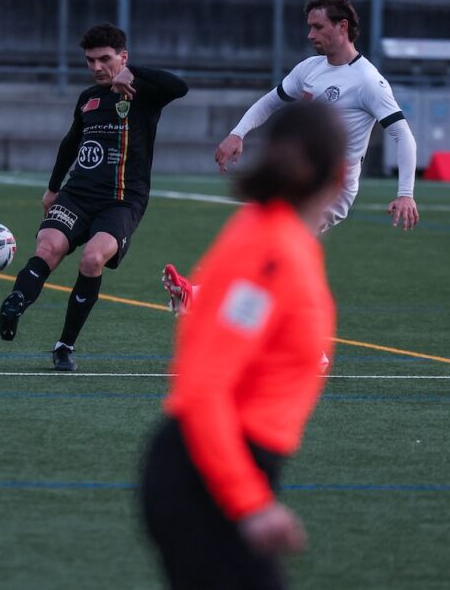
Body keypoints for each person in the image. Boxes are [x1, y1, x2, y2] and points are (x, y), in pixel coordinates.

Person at [140, 101, 346, 590]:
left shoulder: (277, 237)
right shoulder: (273, 251)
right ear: (341, 174)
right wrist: (248, 503)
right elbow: (202, 388)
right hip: (208, 478)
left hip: (217, 471)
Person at [120, 0, 419, 314]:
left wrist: (405, 193)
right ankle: (211, 299)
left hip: (332, 186)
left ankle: (208, 299)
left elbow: (403, 135)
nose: (310, 34)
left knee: (274, 247)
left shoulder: (368, 81)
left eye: (318, 27)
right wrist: (238, 133)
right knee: (266, 246)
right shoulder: (310, 68)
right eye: (309, 26)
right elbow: (271, 101)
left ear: (342, 26)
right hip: (298, 178)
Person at [0, 23, 188, 371]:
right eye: (90, 61)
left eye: (105, 59)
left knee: (92, 258)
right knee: (48, 247)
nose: (97, 67)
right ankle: (16, 302)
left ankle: (64, 347)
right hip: (77, 194)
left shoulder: (144, 91)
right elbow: (71, 141)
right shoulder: (88, 98)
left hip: (122, 199)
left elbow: (181, 86)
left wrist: (134, 72)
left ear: (123, 57)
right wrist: (53, 188)